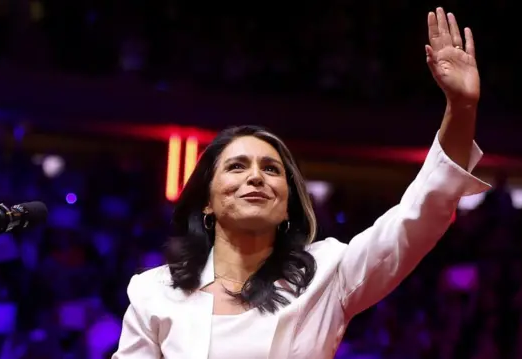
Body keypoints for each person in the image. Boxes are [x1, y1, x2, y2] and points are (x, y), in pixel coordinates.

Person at [112, 8, 491, 359]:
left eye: (272, 169)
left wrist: (461, 108)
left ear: (287, 203)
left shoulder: (328, 274)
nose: (256, 177)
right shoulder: (155, 293)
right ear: (206, 201)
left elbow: (420, 211)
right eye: (237, 166)